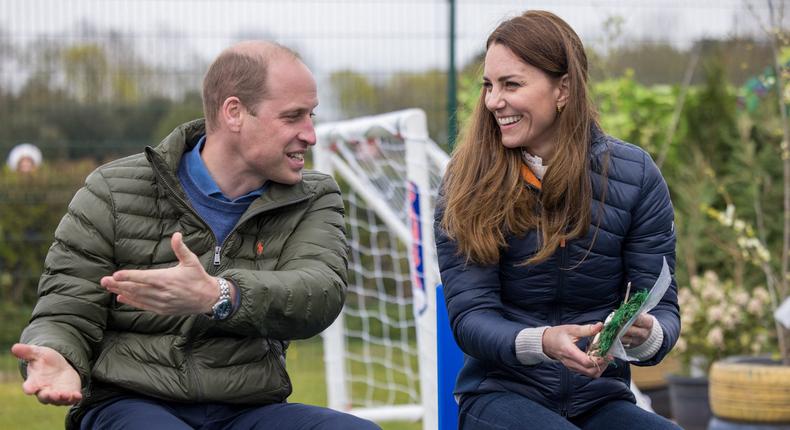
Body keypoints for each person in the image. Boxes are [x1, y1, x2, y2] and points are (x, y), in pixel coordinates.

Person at [11, 40, 380, 430]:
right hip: (129, 402)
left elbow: (318, 292)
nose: (311, 134)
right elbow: (64, 310)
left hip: (248, 408)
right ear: (235, 112)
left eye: (312, 116)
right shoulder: (112, 190)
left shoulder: (314, 196)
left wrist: (220, 295)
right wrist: (56, 355)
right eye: (293, 117)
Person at [435, 10, 681, 430]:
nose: (494, 101)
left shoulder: (635, 175)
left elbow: (665, 307)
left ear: (563, 89)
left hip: (599, 399)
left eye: (511, 84)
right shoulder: (467, 179)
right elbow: (470, 319)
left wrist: (644, 334)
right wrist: (545, 342)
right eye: (489, 86)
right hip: (498, 397)